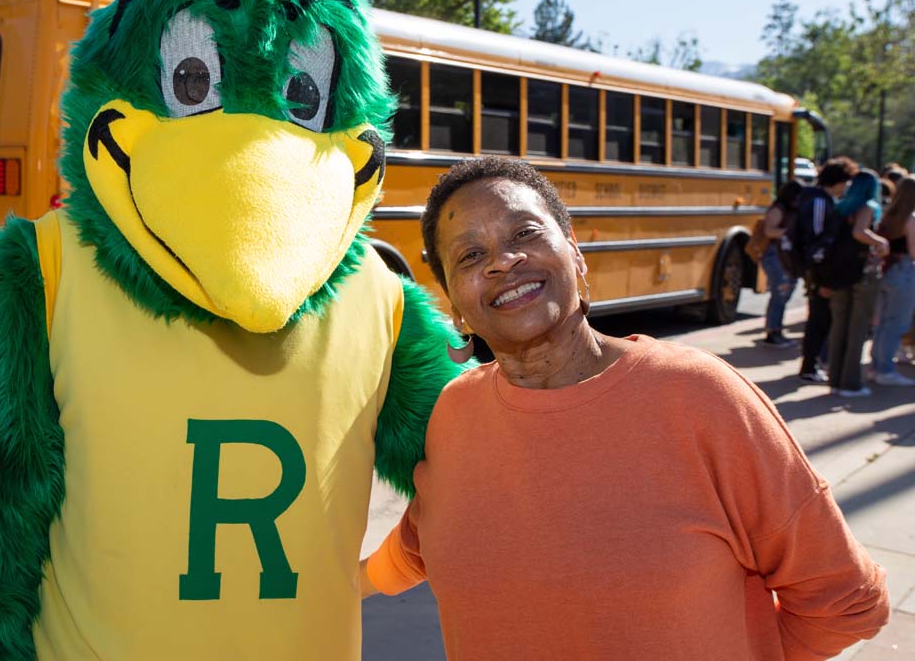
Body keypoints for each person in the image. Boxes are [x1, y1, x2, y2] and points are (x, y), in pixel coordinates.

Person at [360, 156, 889, 659]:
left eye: (525, 233)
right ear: (455, 303)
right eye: (470, 255)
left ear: (575, 252)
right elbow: (424, 538)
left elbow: (846, 603)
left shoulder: (700, 397)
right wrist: (335, 584)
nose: (502, 260)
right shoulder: (454, 411)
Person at [823, 170, 889, 397]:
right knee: (858, 329)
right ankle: (850, 384)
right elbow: (859, 232)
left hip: (840, 273)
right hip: (863, 273)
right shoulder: (869, 206)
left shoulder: (840, 207)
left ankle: (835, 379)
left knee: (839, 327)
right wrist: (881, 241)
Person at [796, 157, 858, 382]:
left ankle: (812, 364)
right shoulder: (821, 202)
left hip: (819, 273)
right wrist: (822, 279)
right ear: (837, 181)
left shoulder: (820, 200)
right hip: (820, 274)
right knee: (818, 321)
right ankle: (809, 366)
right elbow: (817, 244)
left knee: (819, 320)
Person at [870, 176, 915, 385]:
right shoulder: (911, 219)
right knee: (896, 324)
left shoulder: (889, 214)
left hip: (887, 271)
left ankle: (877, 366)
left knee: (882, 324)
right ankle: (885, 370)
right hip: (904, 271)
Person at [760, 180, 805, 347]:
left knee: (783, 294)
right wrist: (791, 233)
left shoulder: (791, 210)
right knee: (780, 294)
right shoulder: (778, 209)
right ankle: (773, 331)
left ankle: (775, 329)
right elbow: (769, 231)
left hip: (785, 256)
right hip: (775, 256)